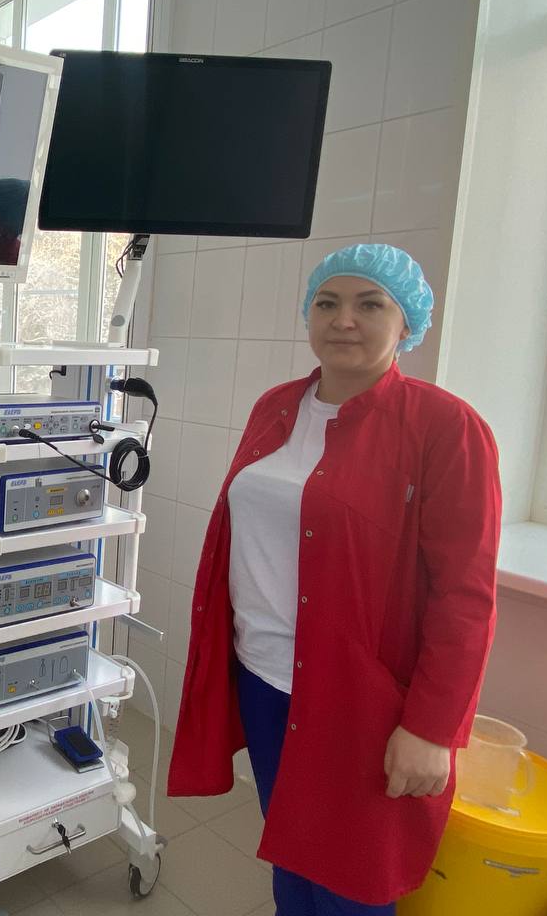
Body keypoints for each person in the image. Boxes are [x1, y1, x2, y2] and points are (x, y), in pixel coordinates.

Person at [166, 243, 502, 914]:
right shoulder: (276, 406)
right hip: (263, 679)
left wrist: (433, 729)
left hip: (361, 700)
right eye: (327, 302)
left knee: (352, 883)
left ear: (406, 322)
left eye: (370, 304)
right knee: (291, 858)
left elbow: (465, 597)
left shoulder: (446, 427)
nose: (343, 319)